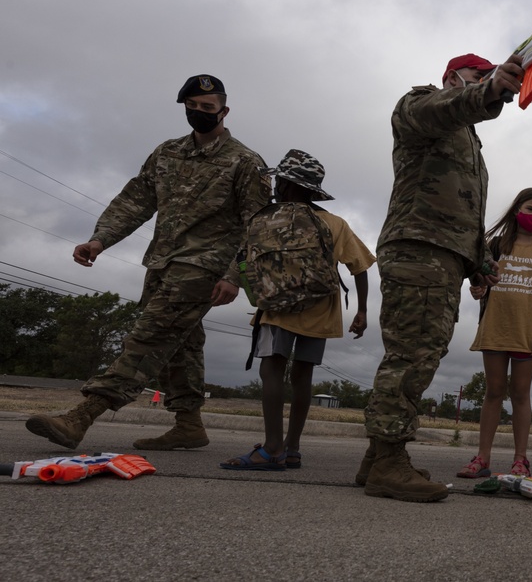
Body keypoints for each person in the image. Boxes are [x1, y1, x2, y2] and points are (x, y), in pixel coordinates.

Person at [26, 74, 270, 450]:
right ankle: (189, 425)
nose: (199, 113)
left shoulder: (245, 162)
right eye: (192, 107)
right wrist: (99, 239)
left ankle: (82, 416)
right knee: (182, 346)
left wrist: (235, 275)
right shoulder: (167, 152)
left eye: (207, 107)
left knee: (148, 337)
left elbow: (258, 226)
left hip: (203, 269)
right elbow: (136, 200)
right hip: (160, 264)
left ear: (224, 110)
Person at [358, 53, 524, 503]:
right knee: (412, 357)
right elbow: (442, 110)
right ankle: (390, 463)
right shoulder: (422, 105)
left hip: (441, 255)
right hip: (420, 250)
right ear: (453, 77)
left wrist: (478, 260)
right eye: (478, 76)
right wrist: (487, 92)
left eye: (490, 78)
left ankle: (377, 458)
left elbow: (459, 208)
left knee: (415, 353)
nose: (487, 84)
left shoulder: (469, 141)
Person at [221, 150, 375, 471]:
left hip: (276, 308)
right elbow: (359, 266)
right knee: (303, 377)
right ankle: (292, 447)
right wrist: (361, 311)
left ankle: (271, 448)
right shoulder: (335, 223)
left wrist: (229, 282)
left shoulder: (266, 218)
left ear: (287, 185)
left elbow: (243, 257)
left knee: (272, 370)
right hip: (321, 308)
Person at [456, 187, 532, 479]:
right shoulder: (495, 244)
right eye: (531, 209)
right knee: (493, 392)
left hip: (528, 333)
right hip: (495, 328)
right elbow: (480, 282)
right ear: (517, 210)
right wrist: (477, 288)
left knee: (521, 394)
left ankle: (520, 459)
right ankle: (483, 457)